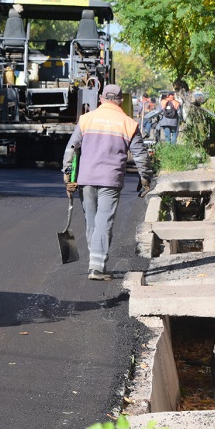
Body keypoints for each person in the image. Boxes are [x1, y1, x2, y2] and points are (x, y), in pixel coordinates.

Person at [62, 84, 153, 281]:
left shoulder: (86, 119)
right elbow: (140, 156)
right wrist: (145, 177)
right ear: (121, 101)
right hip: (110, 180)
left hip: (86, 179)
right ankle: (97, 267)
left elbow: (71, 148)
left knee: (92, 222)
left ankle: (95, 262)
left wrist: (67, 173)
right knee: (104, 221)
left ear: (101, 99)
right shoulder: (128, 123)